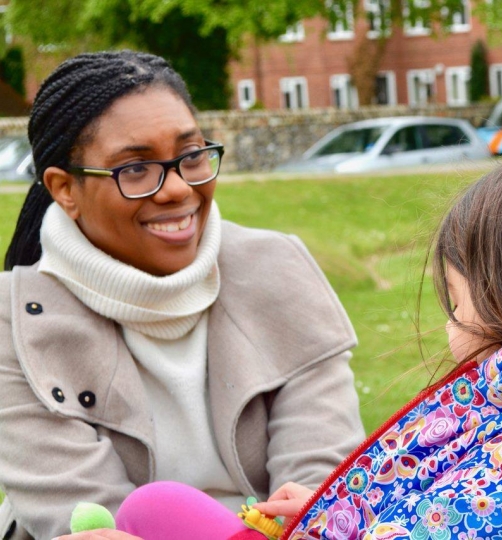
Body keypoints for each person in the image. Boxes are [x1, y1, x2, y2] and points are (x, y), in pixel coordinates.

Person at [87, 146, 502, 540]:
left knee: (154, 510)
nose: (448, 327)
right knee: (159, 505)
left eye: (454, 302)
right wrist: (340, 509)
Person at [0, 50, 365, 540]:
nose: (176, 189)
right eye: (135, 169)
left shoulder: (278, 269)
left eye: (190, 157)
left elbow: (320, 488)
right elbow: (87, 517)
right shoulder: (13, 321)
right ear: (65, 188)